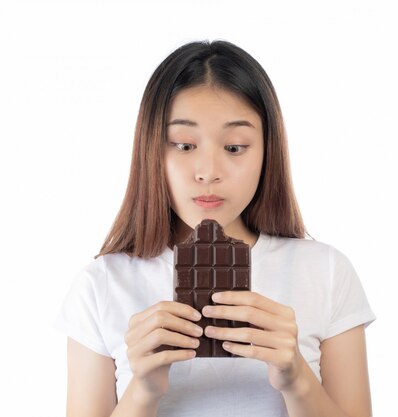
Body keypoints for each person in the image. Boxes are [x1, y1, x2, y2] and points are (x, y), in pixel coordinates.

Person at [55, 40, 375, 417]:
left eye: (235, 147)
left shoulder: (326, 271)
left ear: (267, 151)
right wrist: (143, 391)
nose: (208, 171)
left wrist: (296, 379)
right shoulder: (102, 285)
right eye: (184, 145)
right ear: (151, 150)